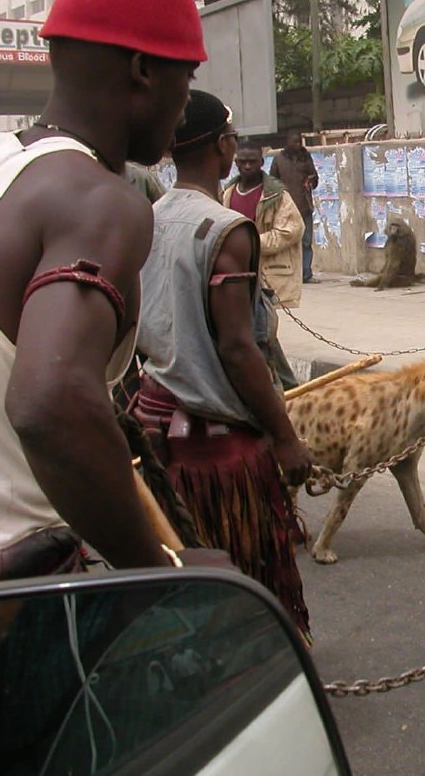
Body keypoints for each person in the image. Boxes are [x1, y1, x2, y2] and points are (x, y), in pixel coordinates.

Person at [0, 0, 231, 581]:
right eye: (188, 76)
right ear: (146, 69)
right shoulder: (101, 203)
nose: (186, 101)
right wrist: (152, 571)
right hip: (19, 584)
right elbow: (50, 403)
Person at [132, 90, 314, 638]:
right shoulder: (225, 230)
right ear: (225, 146)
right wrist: (284, 437)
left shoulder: (148, 217)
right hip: (218, 451)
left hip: (156, 428)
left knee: (184, 580)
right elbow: (238, 347)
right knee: (249, 576)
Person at [223, 138, 303, 390]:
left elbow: (292, 230)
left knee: (262, 332)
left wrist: (251, 243)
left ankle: (289, 388)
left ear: (261, 162)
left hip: (267, 274)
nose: (247, 167)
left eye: (252, 162)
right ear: (236, 162)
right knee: (251, 333)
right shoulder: (227, 193)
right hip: (236, 274)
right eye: (242, 162)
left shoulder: (277, 196)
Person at [270, 129, 320, 283]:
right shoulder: (279, 160)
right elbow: (272, 182)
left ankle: (306, 274)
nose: (297, 145)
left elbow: (315, 178)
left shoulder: (306, 157)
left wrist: (310, 181)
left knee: (306, 241)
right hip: (285, 208)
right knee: (288, 242)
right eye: (294, 142)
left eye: (299, 142)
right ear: (287, 142)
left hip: (304, 205)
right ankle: (290, 273)